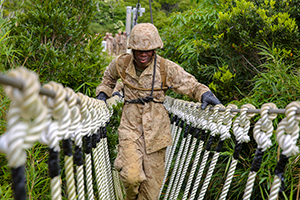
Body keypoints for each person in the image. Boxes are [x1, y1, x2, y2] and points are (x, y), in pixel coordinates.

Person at [96, 23, 221, 200]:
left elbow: (189, 84)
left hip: (156, 134)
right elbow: (108, 79)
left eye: (148, 50)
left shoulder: (165, 68)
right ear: (132, 49)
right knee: (131, 177)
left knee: (150, 193)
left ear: (155, 49)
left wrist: (204, 94)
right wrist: (102, 94)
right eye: (139, 50)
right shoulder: (122, 63)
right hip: (130, 129)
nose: (143, 54)